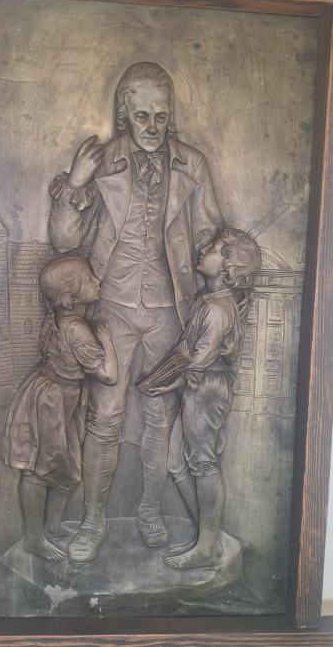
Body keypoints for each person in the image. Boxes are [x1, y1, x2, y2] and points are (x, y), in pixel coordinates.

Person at [48, 62, 224, 564]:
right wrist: (76, 182)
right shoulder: (103, 161)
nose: (152, 126)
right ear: (125, 112)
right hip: (113, 312)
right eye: (142, 116)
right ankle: (93, 520)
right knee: (104, 418)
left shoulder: (193, 164)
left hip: (169, 313)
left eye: (161, 117)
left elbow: (211, 236)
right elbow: (62, 240)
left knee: (159, 418)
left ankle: (149, 509)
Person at [141, 228, 262, 570]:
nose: (203, 247)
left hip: (206, 390)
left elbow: (198, 361)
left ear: (227, 267)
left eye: (213, 247)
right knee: (176, 462)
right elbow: (186, 349)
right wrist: (162, 377)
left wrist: (164, 385)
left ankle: (207, 547)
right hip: (198, 386)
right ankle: (207, 535)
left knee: (203, 464)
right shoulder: (206, 300)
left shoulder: (218, 310)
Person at [1, 256, 118, 562]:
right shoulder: (77, 330)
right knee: (39, 471)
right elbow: (109, 376)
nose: (98, 281)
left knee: (66, 469)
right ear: (69, 299)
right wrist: (107, 341)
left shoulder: (59, 318)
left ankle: (52, 527)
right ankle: (33, 539)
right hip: (50, 403)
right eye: (90, 279)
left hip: (57, 399)